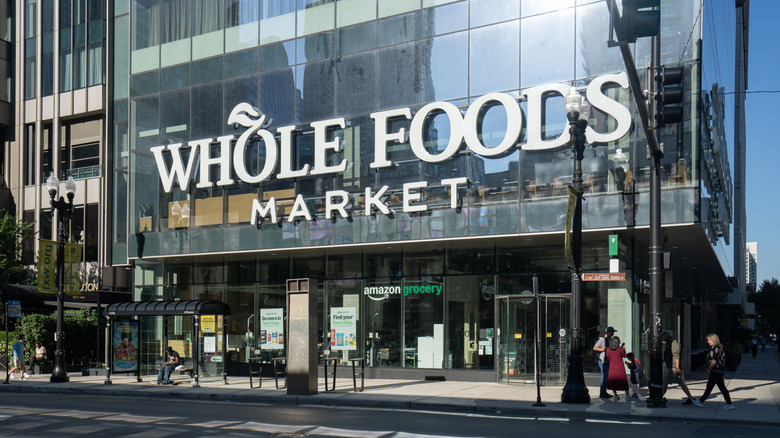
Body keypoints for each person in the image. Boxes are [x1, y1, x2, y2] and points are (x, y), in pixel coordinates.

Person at [692, 333, 734, 410]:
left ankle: (729, 403)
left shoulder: (714, 349)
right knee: (711, 387)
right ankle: (701, 401)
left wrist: (709, 369)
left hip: (716, 371)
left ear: (713, 340)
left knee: (719, 387)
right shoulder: (720, 348)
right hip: (718, 371)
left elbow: (714, 360)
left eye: (708, 340)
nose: (707, 342)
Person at [661, 330, 695, 405]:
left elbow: (676, 357)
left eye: (663, 337)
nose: (662, 339)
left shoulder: (674, 344)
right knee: (681, 383)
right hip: (672, 367)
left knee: (665, 382)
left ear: (667, 337)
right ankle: (690, 398)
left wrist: (677, 368)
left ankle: (660, 397)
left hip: (673, 368)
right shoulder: (669, 344)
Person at [593, 326, 616, 398]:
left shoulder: (610, 340)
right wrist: (604, 350)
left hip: (608, 360)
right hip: (603, 361)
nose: (613, 333)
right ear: (608, 332)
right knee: (604, 376)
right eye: (612, 332)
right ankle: (602, 392)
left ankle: (604, 392)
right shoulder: (602, 339)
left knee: (606, 377)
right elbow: (595, 347)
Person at [605, 336, 630, 400]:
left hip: (612, 368)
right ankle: (627, 395)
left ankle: (615, 395)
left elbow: (607, 358)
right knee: (624, 381)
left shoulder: (608, 350)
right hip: (620, 367)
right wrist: (624, 349)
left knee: (613, 382)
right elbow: (624, 356)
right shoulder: (620, 349)